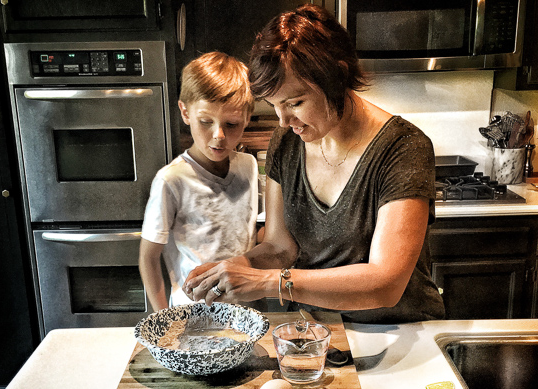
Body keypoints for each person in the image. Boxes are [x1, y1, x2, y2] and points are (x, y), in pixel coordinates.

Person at [182, 4, 445, 324]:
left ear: (339, 76)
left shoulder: (403, 148)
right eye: (276, 106)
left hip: (398, 333)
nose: (284, 120)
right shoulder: (287, 141)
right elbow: (280, 248)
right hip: (316, 333)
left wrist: (268, 283)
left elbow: (385, 284)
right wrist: (234, 269)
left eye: (295, 103)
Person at [139, 51, 258, 311]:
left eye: (232, 123)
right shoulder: (171, 180)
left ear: (247, 118)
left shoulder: (248, 166)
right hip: (192, 312)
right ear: (185, 112)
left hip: (247, 308)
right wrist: (164, 320)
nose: (219, 135)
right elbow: (148, 259)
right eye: (206, 121)